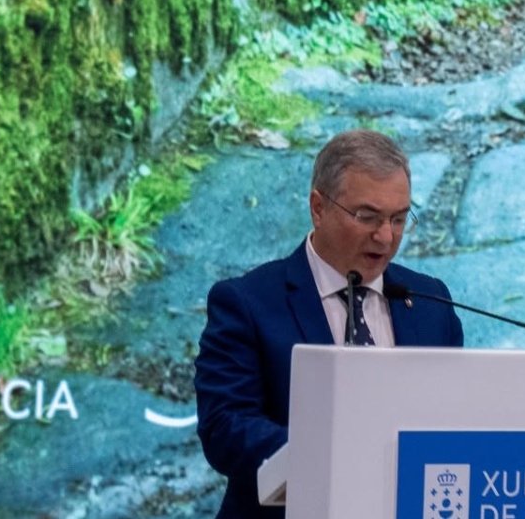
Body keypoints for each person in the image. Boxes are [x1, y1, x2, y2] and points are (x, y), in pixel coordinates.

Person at [195, 129, 463, 518]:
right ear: (318, 208)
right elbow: (225, 426)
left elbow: (454, 418)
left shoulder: (429, 301)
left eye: (399, 219)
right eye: (367, 216)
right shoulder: (247, 302)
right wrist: (336, 456)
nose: (385, 236)